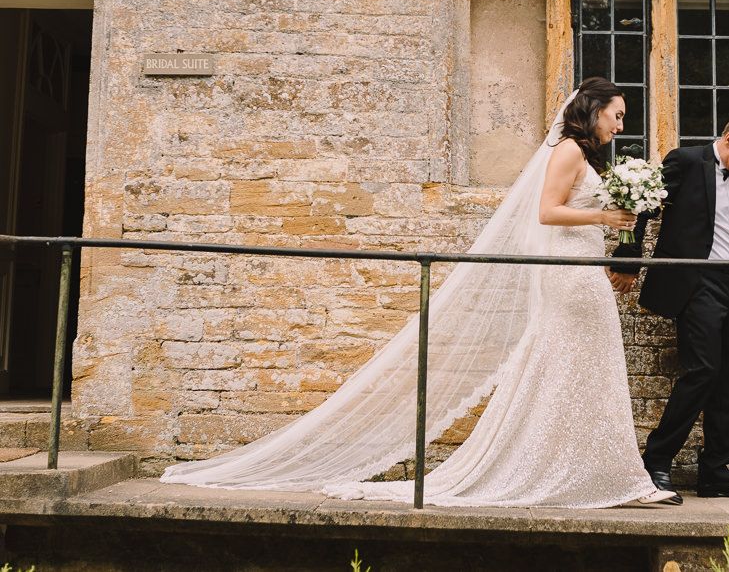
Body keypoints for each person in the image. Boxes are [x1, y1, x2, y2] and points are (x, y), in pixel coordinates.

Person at [161, 77, 674, 507]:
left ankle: (596, 471)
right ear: (594, 110)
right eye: (618, 115)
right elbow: (547, 211)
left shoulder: (584, 155)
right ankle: (580, 472)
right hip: (569, 275)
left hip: (582, 270)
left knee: (584, 368)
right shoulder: (566, 151)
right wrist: (606, 215)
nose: (620, 125)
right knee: (571, 364)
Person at [610, 123, 729, 504]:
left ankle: (714, 473)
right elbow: (643, 207)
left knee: (726, 380)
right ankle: (657, 460)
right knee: (703, 370)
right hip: (698, 282)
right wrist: (628, 260)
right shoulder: (687, 161)